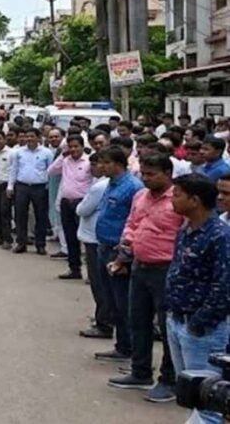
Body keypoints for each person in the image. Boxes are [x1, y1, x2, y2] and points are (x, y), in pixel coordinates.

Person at [107, 154, 180, 403]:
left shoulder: (178, 200)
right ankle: (140, 372)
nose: (146, 179)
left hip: (166, 270)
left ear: (168, 173)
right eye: (144, 174)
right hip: (139, 266)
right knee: (138, 321)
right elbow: (132, 224)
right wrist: (124, 252)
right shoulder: (141, 196)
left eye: (152, 174)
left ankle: (169, 380)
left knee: (167, 327)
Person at [165, 174, 230, 424]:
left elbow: (224, 286)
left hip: (202, 330)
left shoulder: (220, 236)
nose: (172, 199)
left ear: (195, 200)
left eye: (177, 195)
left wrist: (199, 323)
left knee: (208, 401)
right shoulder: (185, 230)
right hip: (177, 320)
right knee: (189, 393)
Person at [94, 146, 144, 363]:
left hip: (119, 251)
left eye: (105, 162)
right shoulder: (111, 183)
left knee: (123, 302)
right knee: (111, 300)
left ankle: (129, 348)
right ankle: (122, 345)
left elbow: (135, 221)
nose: (100, 166)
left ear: (118, 164)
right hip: (104, 246)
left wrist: (124, 254)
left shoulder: (133, 187)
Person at [77, 153, 112, 339]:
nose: (94, 168)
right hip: (99, 236)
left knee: (99, 283)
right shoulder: (106, 184)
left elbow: (82, 209)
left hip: (94, 237)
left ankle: (103, 322)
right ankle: (105, 317)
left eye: (97, 164)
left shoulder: (100, 186)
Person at [48, 135, 93, 280]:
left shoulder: (89, 162)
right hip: (66, 202)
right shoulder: (65, 161)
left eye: (76, 146)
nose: (73, 149)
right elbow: (51, 171)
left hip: (82, 203)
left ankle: (91, 273)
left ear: (82, 147)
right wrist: (62, 155)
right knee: (70, 237)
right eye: (70, 146)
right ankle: (74, 269)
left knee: (86, 239)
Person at [7, 128, 54, 255]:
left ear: (38, 138)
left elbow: (50, 171)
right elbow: (13, 169)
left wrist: (48, 187)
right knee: (20, 215)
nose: (29, 139)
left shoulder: (47, 153)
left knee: (41, 216)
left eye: (32, 136)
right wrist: (10, 186)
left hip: (40, 187)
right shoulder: (18, 152)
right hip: (22, 186)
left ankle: (40, 244)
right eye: (27, 136)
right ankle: (21, 243)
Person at [46, 128, 69, 260]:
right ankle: (64, 247)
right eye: (51, 137)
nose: (54, 139)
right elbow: (51, 170)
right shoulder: (59, 154)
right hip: (56, 188)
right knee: (57, 216)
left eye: (56, 136)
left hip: (74, 193)